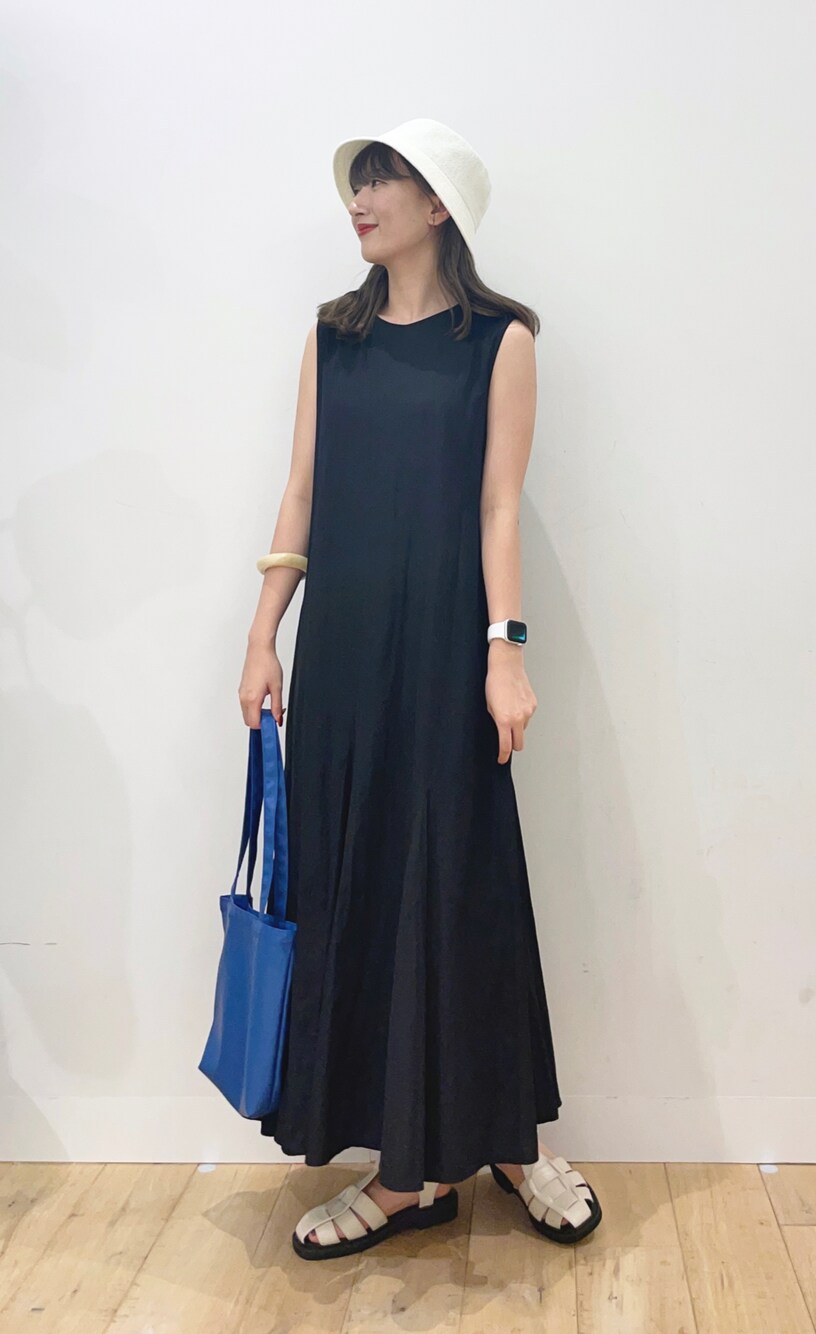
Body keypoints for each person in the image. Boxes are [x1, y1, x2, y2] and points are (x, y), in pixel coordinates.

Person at [238, 118, 602, 1260]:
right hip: (345, 658)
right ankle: (408, 1173)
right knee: (363, 893)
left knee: (462, 891)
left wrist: (505, 650)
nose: (360, 197)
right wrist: (263, 634)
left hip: (446, 654)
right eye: (358, 180)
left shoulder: (501, 339)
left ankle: (507, 1141)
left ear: (438, 205)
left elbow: (498, 506)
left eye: (383, 178)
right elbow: (301, 491)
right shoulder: (330, 336)